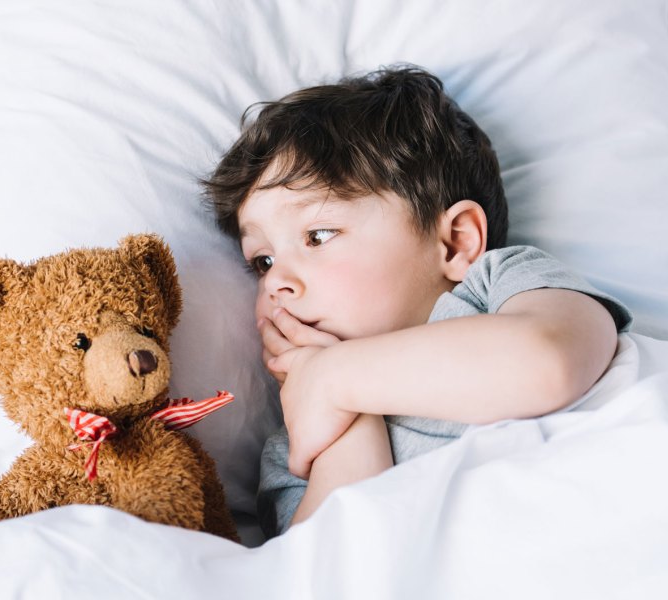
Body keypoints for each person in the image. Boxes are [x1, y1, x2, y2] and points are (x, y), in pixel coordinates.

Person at [202, 66, 632, 537]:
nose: (276, 282)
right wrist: (350, 419)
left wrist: (336, 376)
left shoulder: (501, 287)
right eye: (261, 261)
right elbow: (332, 566)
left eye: (318, 235)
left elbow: (551, 360)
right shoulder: (301, 440)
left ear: (454, 244)